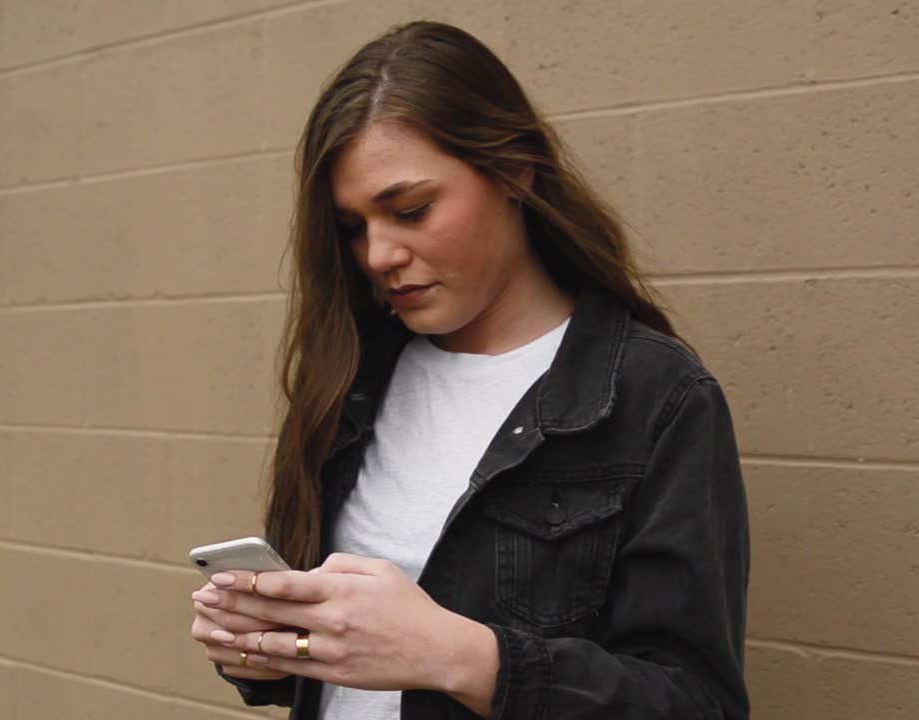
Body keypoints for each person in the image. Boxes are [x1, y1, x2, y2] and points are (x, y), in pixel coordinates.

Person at [189, 20, 750, 720]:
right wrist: (265, 645)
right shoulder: (353, 377)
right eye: (354, 227)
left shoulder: (654, 399)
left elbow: (696, 704)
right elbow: (331, 664)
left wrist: (458, 656)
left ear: (514, 170)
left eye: (411, 210)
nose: (378, 255)